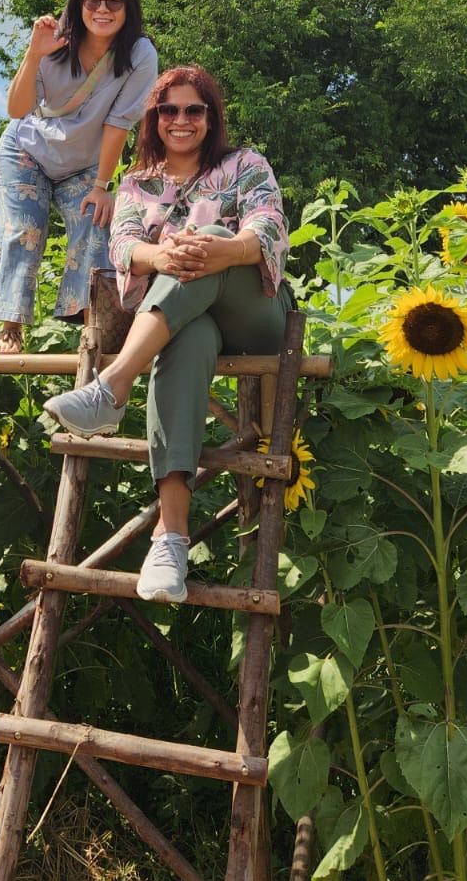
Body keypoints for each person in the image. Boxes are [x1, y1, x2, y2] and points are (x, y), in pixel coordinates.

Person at [44, 65, 293, 602]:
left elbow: (269, 224)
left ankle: (112, 387)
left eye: (194, 110)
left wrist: (219, 248)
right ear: (153, 119)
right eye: (168, 110)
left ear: (210, 117)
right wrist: (164, 254)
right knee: (190, 336)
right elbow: (123, 246)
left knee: (207, 237)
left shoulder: (242, 164)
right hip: (186, 317)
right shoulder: (138, 183)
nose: (181, 120)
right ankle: (171, 536)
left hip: (255, 312)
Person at [0, 0, 157, 351]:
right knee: (25, 229)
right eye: (93, 0)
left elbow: (120, 122)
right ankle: (10, 327)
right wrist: (33, 55)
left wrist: (102, 186)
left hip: (84, 164)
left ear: (128, 7)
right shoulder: (54, 41)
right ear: (78, 3)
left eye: (114, 2)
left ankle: (90, 323)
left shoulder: (139, 53)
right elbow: (17, 109)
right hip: (27, 152)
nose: (102, 10)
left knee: (97, 226)